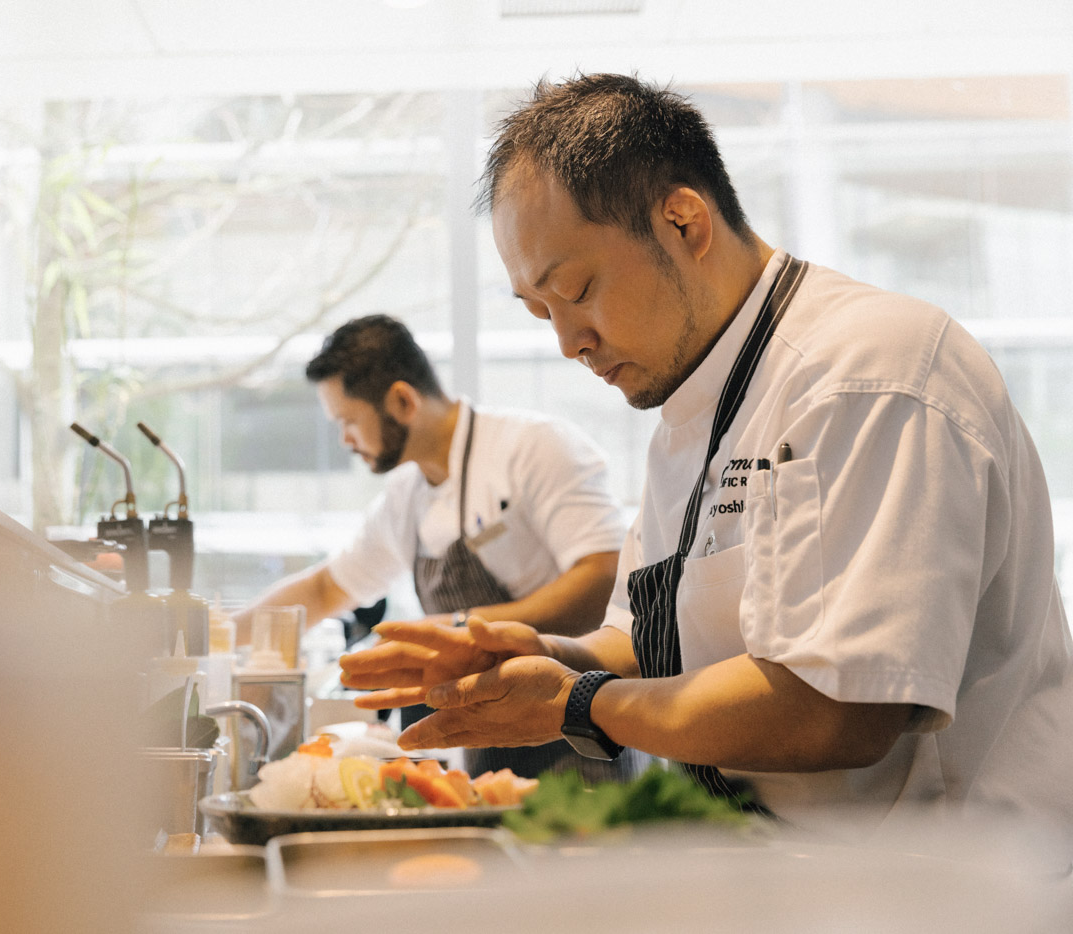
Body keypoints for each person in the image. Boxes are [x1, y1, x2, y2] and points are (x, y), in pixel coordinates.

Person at [340, 73, 1073, 843]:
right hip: (776, 865)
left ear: (684, 222)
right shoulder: (693, 407)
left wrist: (575, 702)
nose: (567, 341)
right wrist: (539, 654)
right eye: (540, 311)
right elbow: (643, 636)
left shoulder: (865, 375)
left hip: (942, 887)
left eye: (578, 289)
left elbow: (837, 710)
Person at [238, 313, 638, 780]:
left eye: (348, 421)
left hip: (579, 733)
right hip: (485, 748)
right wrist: (216, 633)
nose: (345, 440)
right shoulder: (405, 496)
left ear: (402, 400)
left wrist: (459, 627)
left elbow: (602, 576)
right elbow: (327, 589)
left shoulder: (534, 447)